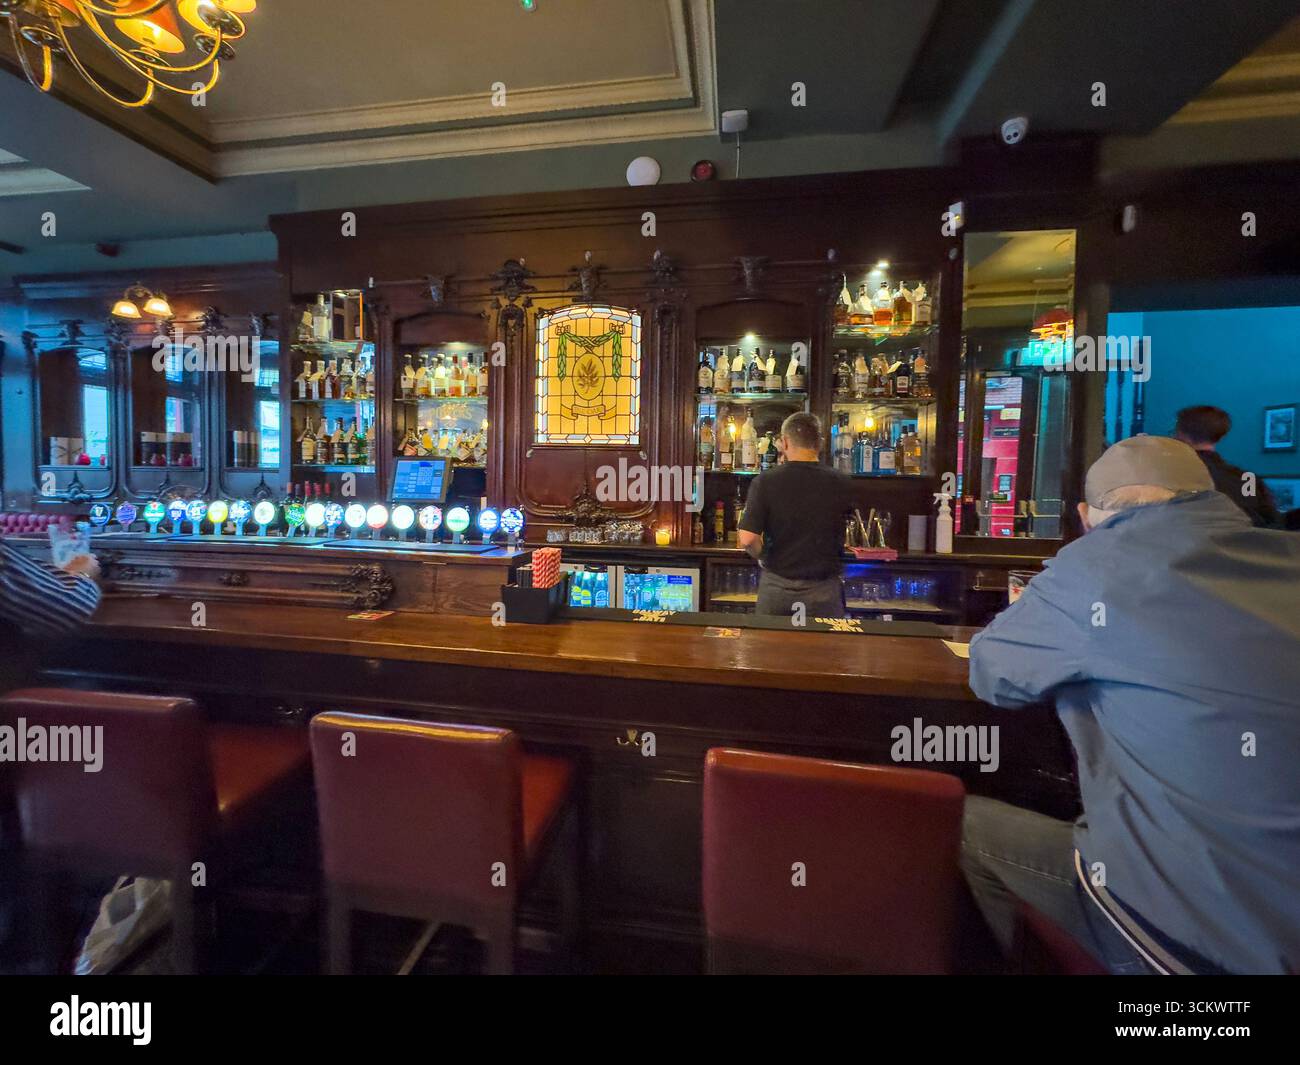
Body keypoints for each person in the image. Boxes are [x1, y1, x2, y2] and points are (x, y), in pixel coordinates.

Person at [963, 435, 1300, 975]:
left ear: (1084, 516)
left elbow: (992, 674)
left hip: (1197, 938)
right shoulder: (1286, 554)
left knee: (955, 825)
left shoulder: (1094, 567)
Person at [737, 412, 853, 618]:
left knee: (770, 640)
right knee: (824, 640)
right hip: (824, 590)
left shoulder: (765, 481)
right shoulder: (841, 482)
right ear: (820, 443)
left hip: (777, 588)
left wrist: (762, 556)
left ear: (784, 442)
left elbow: (747, 539)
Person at [1174, 404, 1281, 527]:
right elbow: (1271, 523)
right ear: (1220, 436)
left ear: (1181, 435)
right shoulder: (1248, 479)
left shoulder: (1173, 476)